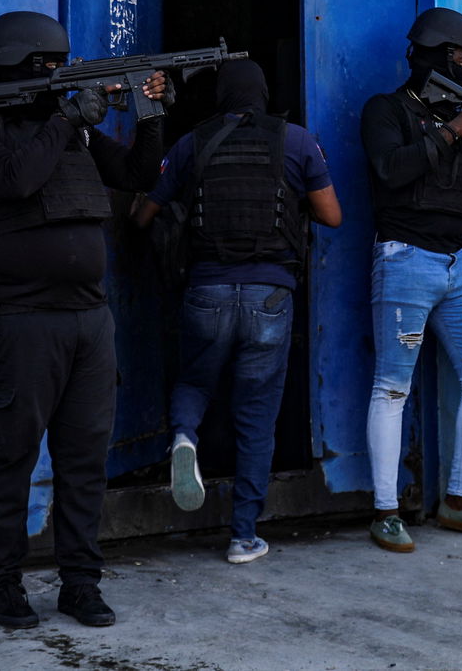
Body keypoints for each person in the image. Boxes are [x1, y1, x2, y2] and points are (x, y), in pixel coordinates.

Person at [0, 10, 168, 629]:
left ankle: (80, 583)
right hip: (17, 321)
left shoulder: (77, 136)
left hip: (88, 322)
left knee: (84, 461)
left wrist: (150, 115)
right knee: (11, 458)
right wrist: (71, 117)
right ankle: (3, 586)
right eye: (47, 66)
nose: (57, 76)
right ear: (12, 67)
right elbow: (17, 181)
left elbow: (139, 177)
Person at [132, 59, 342, 564]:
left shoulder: (192, 143)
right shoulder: (297, 141)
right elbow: (332, 216)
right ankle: (244, 537)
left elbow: (143, 216)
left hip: (206, 290)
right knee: (256, 416)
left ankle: (184, 437)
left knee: (194, 382)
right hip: (271, 296)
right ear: (265, 93)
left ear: (221, 96)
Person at [359, 7, 462, 553]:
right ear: (430, 56)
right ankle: (385, 511)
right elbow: (390, 171)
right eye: (459, 59)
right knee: (392, 386)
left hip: (456, 264)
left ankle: (459, 502)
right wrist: (454, 131)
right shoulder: (385, 110)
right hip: (404, 257)